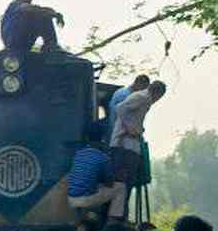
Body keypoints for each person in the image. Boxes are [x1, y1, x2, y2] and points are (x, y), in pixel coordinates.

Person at [108, 81, 167, 218]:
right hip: (123, 145)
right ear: (158, 94)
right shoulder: (142, 97)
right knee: (121, 184)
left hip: (131, 146)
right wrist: (130, 128)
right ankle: (116, 217)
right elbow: (120, 108)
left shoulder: (144, 99)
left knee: (127, 184)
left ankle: (120, 215)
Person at [0, 0, 64, 52]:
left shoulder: (31, 8)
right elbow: (27, 8)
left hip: (25, 42)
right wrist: (52, 14)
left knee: (43, 14)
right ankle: (51, 45)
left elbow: (45, 10)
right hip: (13, 39)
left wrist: (55, 14)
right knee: (40, 14)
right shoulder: (14, 4)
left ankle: (50, 45)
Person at [66, 137, 125, 216]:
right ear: (102, 142)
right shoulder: (103, 157)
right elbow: (109, 183)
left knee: (94, 187)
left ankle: (87, 215)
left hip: (70, 199)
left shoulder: (78, 153)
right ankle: (114, 220)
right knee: (121, 187)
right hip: (85, 200)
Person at [106, 74, 150, 146]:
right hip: (119, 135)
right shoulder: (124, 96)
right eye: (143, 88)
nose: (143, 91)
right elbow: (120, 115)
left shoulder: (125, 94)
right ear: (137, 83)